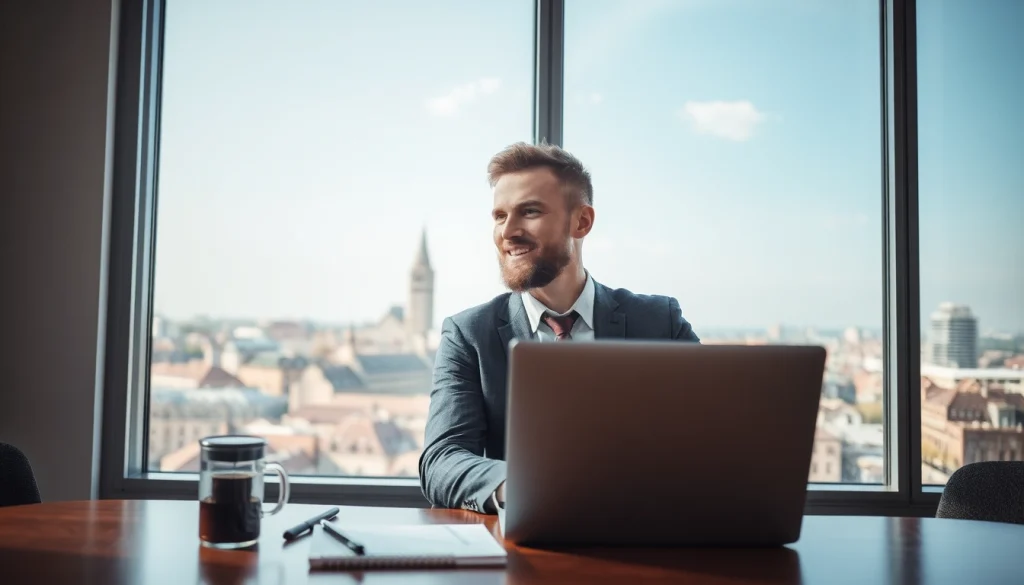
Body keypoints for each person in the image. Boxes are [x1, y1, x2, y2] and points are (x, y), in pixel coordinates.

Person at [418, 142, 699, 513]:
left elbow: (711, 437)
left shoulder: (660, 321)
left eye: (529, 211)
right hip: (530, 546)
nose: (508, 231)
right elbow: (441, 459)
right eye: (499, 216)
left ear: (581, 222)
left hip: (648, 537)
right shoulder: (468, 334)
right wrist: (524, 486)